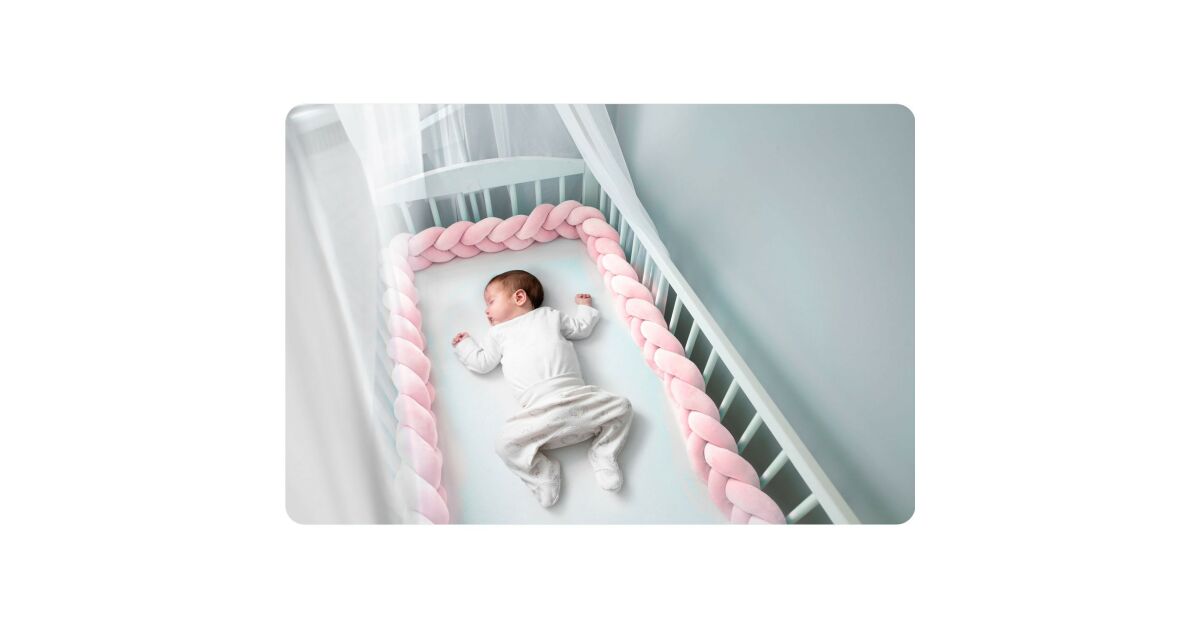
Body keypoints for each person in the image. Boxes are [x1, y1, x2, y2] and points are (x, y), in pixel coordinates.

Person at [452, 269, 633, 508]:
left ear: (519, 297)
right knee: (504, 444)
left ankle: (604, 453)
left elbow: (580, 328)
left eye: (491, 302)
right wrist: (465, 346)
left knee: (622, 407)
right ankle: (543, 473)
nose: (486, 311)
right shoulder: (497, 334)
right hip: (539, 415)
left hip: (577, 401)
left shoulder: (549, 316)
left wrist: (585, 308)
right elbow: (483, 363)